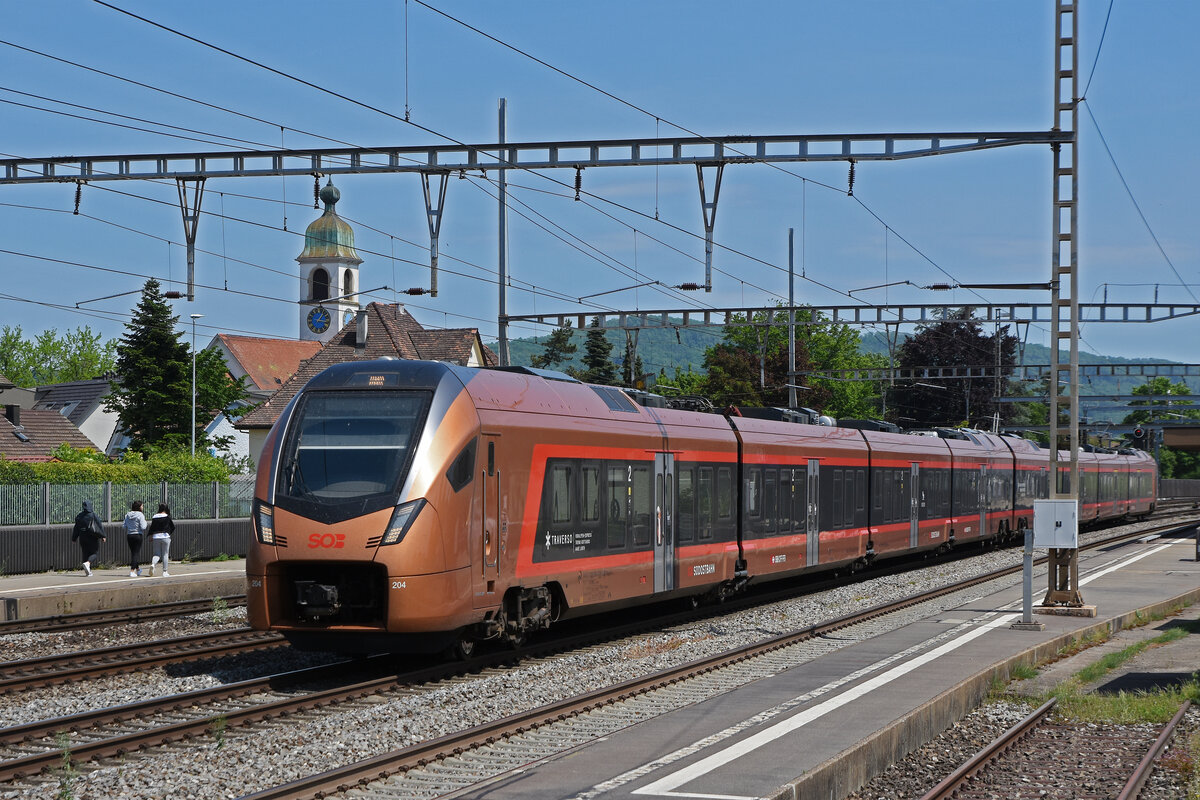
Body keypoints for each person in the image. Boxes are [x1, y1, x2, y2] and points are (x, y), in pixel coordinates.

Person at [71, 500, 106, 577]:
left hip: (82, 537)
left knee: (85, 553)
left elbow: (76, 528)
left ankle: (88, 572)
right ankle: (88, 563)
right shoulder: (93, 515)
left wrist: (74, 538)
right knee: (94, 553)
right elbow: (99, 525)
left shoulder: (79, 516)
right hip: (92, 537)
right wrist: (103, 536)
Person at [146, 503, 176, 577]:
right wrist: (168, 533)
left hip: (156, 537)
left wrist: (151, 536)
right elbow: (172, 527)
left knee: (156, 554)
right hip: (165, 536)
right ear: (166, 509)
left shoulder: (155, 517)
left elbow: (152, 528)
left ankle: (153, 564)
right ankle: (165, 571)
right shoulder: (167, 517)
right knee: (165, 554)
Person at [123, 500, 148, 577]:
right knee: (136, 553)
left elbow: (123, 526)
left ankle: (138, 569)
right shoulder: (140, 515)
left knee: (133, 553)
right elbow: (143, 527)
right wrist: (146, 522)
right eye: (142, 506)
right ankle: (132, 571)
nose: (142, 507)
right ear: (139, 507)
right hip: (138, 535)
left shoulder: (127, 515)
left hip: (129, 535)